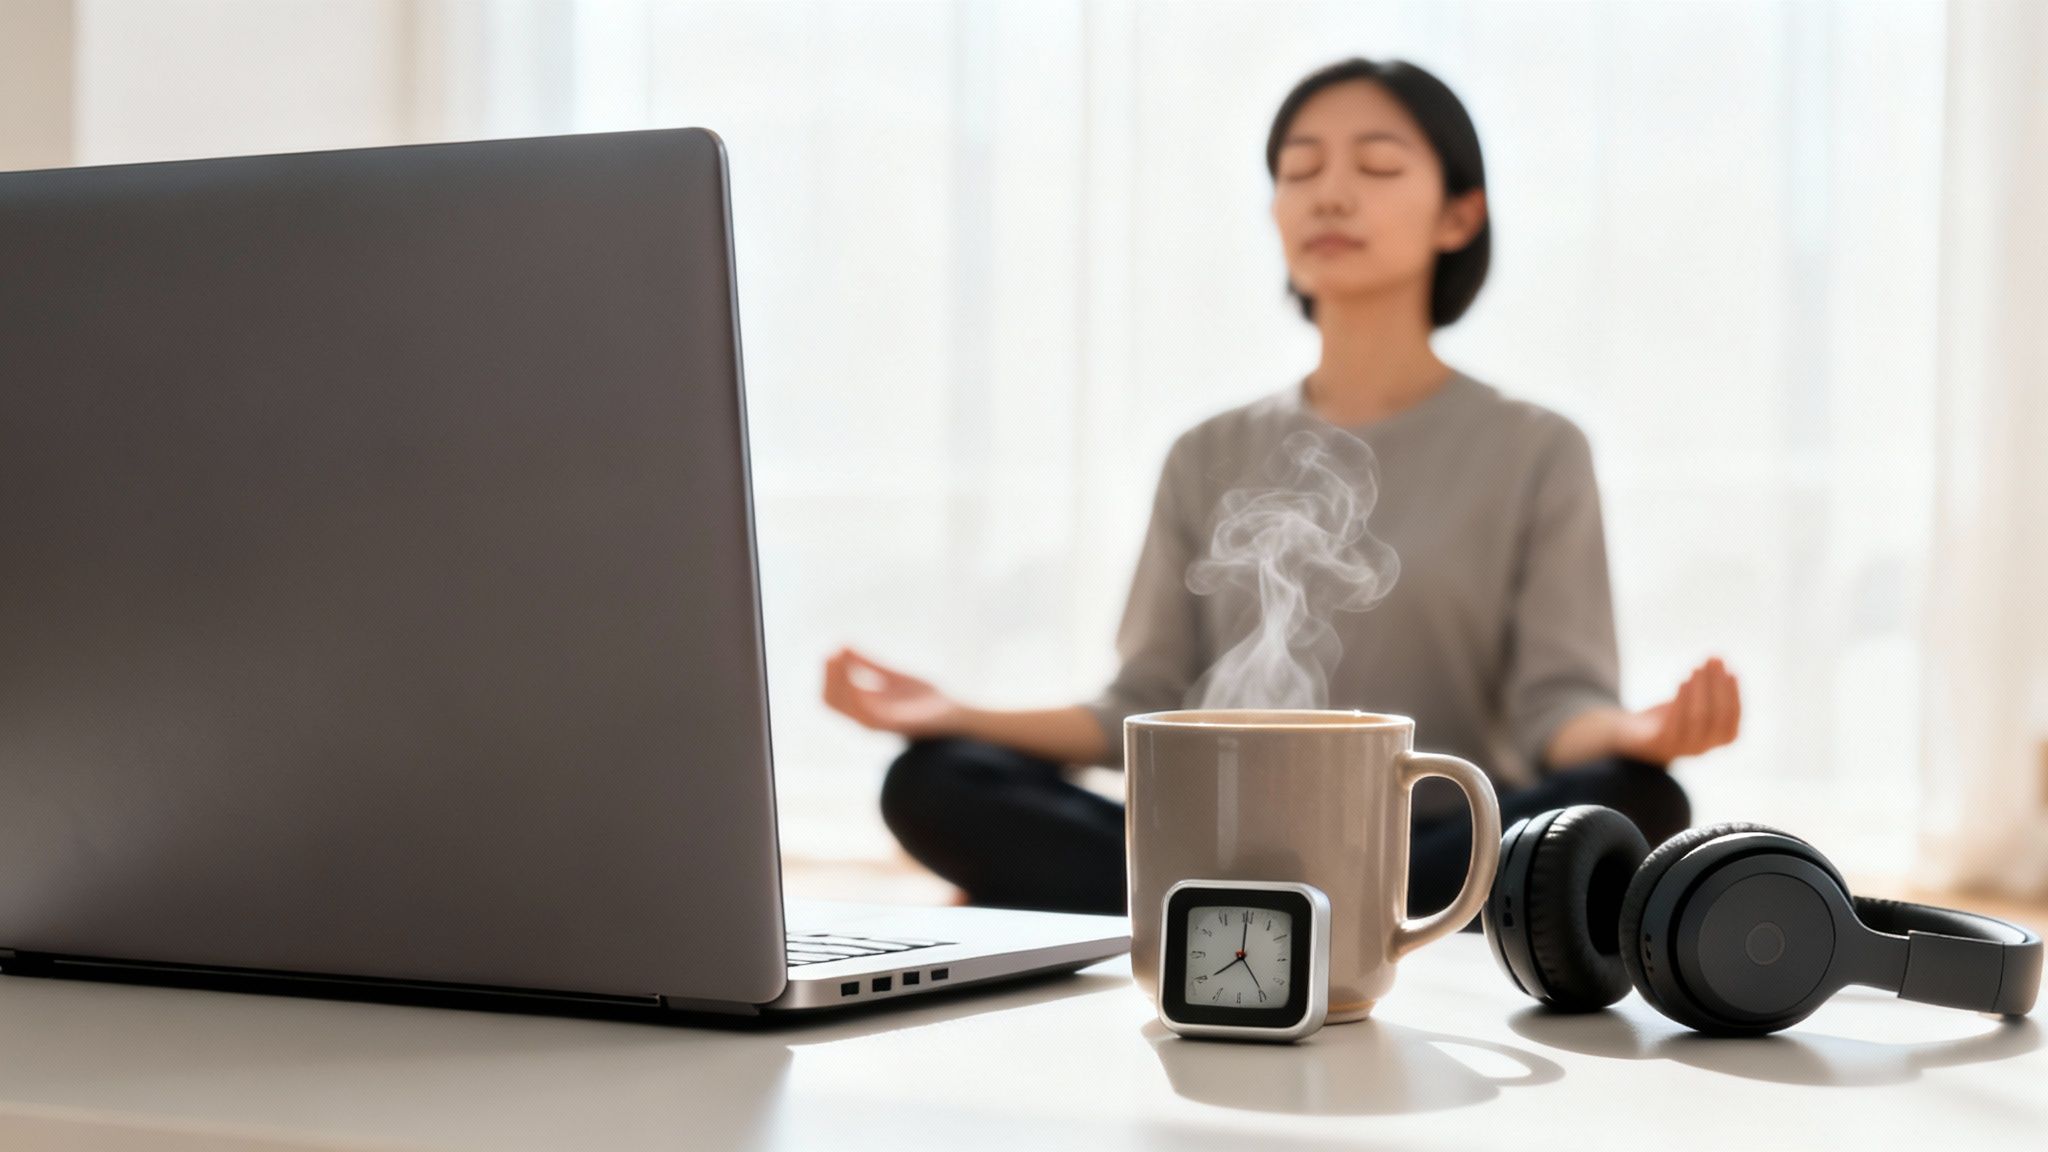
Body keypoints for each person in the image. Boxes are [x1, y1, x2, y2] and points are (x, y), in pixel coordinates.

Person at [821, 58, 1740, 918]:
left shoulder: (1537, 448)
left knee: (1635, 798)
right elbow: (1140, 704)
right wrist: (954, 713)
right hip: (1214, 838)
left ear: (1458, 217)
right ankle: (1330, 914)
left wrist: (1640, 729)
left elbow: (1556, 715)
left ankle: (1230, 913)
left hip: (1430, 839)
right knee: (932, 780)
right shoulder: (1206, 451)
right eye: (1299, 171)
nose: (1330, 193)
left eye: (1378, 166)